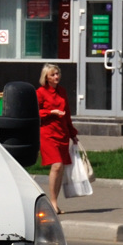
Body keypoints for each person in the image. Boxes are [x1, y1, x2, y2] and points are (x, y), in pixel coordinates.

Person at [36, 63, 78, 213]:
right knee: (57, 165)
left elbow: (67, 113)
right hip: (47, 133)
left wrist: (73, 133)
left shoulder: (62, 91)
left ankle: (54, 201)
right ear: (46, 77)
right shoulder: (40, 92)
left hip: (62, 133)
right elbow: (34, 112)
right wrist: (50, 112)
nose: (56, 77)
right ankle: (51, 202)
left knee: (60, 169)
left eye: (57, 74)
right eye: (53, 74)